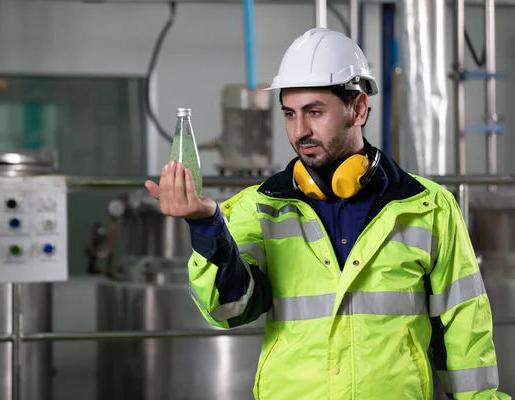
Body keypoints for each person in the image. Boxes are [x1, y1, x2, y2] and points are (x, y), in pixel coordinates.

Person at [145, 28, 510, 400]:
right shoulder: (262, 206)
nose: (299, 130)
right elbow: (226, 308)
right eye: (289, 114)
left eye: (314, 112)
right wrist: (207, 225)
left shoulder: (428, 207)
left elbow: (465, 330)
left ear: (359, 109)